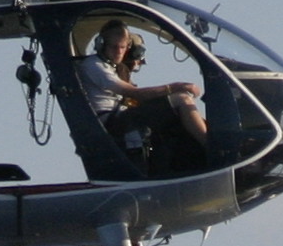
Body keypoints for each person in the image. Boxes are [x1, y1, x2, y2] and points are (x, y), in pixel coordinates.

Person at [78, 20, 207, 175]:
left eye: (122, 47)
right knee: (181, 99)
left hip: (122, 118)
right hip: (111, 122)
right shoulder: (94, 65)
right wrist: (176, 87)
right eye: (114, 47)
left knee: (174, 114)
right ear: (101, 44)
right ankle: (212, 148)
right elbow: (135, 94)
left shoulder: (113, 67)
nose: (119, 52)